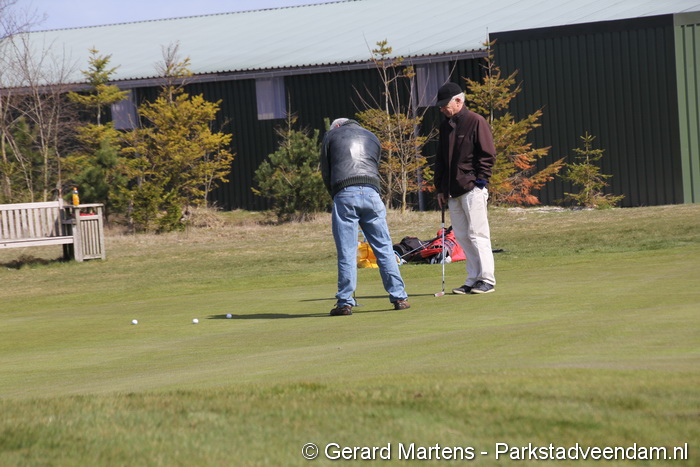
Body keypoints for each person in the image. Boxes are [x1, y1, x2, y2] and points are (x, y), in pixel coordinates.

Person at [320, 118, 410, 315]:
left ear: (337, 127)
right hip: (372, 194)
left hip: (345, 192)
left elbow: (326, 171)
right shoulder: (371, 136)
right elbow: (374, 165)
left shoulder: (331, 135)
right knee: (384, 249)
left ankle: (345, 302)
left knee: (347, 250)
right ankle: (399, 297)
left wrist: (335, 194)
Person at [434, 82, 497, 294]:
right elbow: (441, 160)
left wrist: (481, 181)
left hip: (472, 188)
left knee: (478, 234)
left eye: (445, 105)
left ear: (459, 101)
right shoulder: (445, 126)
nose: (442, 109)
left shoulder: (476, 121)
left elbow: (487, 154)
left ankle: (486, 279)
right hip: (452, 191)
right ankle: (472, 279)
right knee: (462, 236)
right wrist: (440, 188)